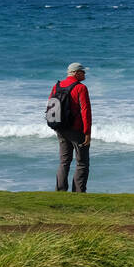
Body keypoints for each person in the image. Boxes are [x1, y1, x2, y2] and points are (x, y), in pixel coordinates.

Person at [51, 63, 92, 192]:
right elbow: (85, 111)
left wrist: (56, 126)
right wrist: (87, 132)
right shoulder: (81, 88)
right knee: (82, 162)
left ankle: (61, 191)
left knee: (64, 161)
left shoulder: (56, 86)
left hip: (60, 128)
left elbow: (51, 107)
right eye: (82, 72)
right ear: (75, 73)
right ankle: (79, 192)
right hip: (76, 130)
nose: (84, 74)